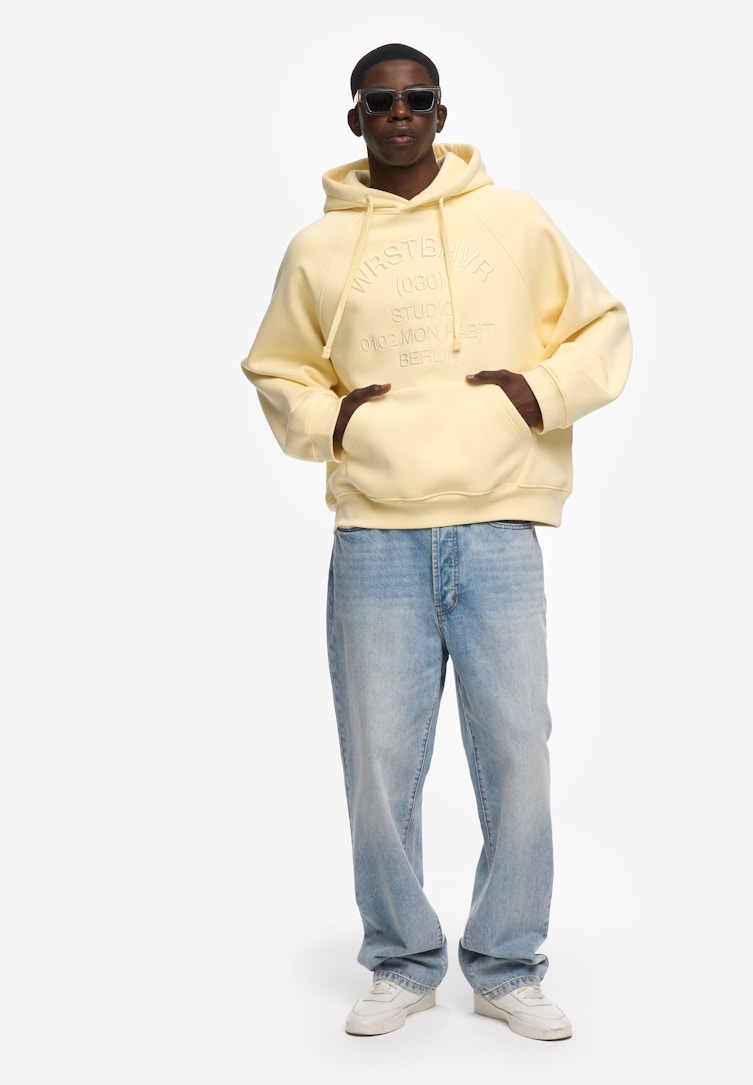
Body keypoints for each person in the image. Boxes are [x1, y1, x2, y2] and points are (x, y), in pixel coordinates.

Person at [242, 42, 632, 1041]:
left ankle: (506, 964)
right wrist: (336, 420)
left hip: (499, 522)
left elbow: (601, 329)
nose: (401, 114)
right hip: (376, 533)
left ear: (442, 113)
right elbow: (278, 369)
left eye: (417, 98)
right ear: (356, 119)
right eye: (381, 102)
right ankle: (401, 960)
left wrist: (535, 393)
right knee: (378, 762)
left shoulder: (514, 220)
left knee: (517, 753)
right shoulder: (317, 248)